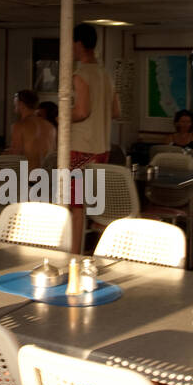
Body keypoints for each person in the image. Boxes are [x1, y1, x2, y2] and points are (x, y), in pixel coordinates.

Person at [68, 23, 120, 252]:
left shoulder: (80, 75)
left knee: (76, 205)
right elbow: (116, 111)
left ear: (78, 44)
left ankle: (73, 255)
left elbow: (81, 111)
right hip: (102, 148)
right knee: (88, 202)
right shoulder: (105, 74)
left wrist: (60, 116)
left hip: (81, 147)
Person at [7, 89, 55, 163]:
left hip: (27, 172)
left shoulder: (19, 126)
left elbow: (15, 156)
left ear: (21, 104)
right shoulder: (50, 126)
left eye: (15, 103)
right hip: (47, 173)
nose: (14, 106)